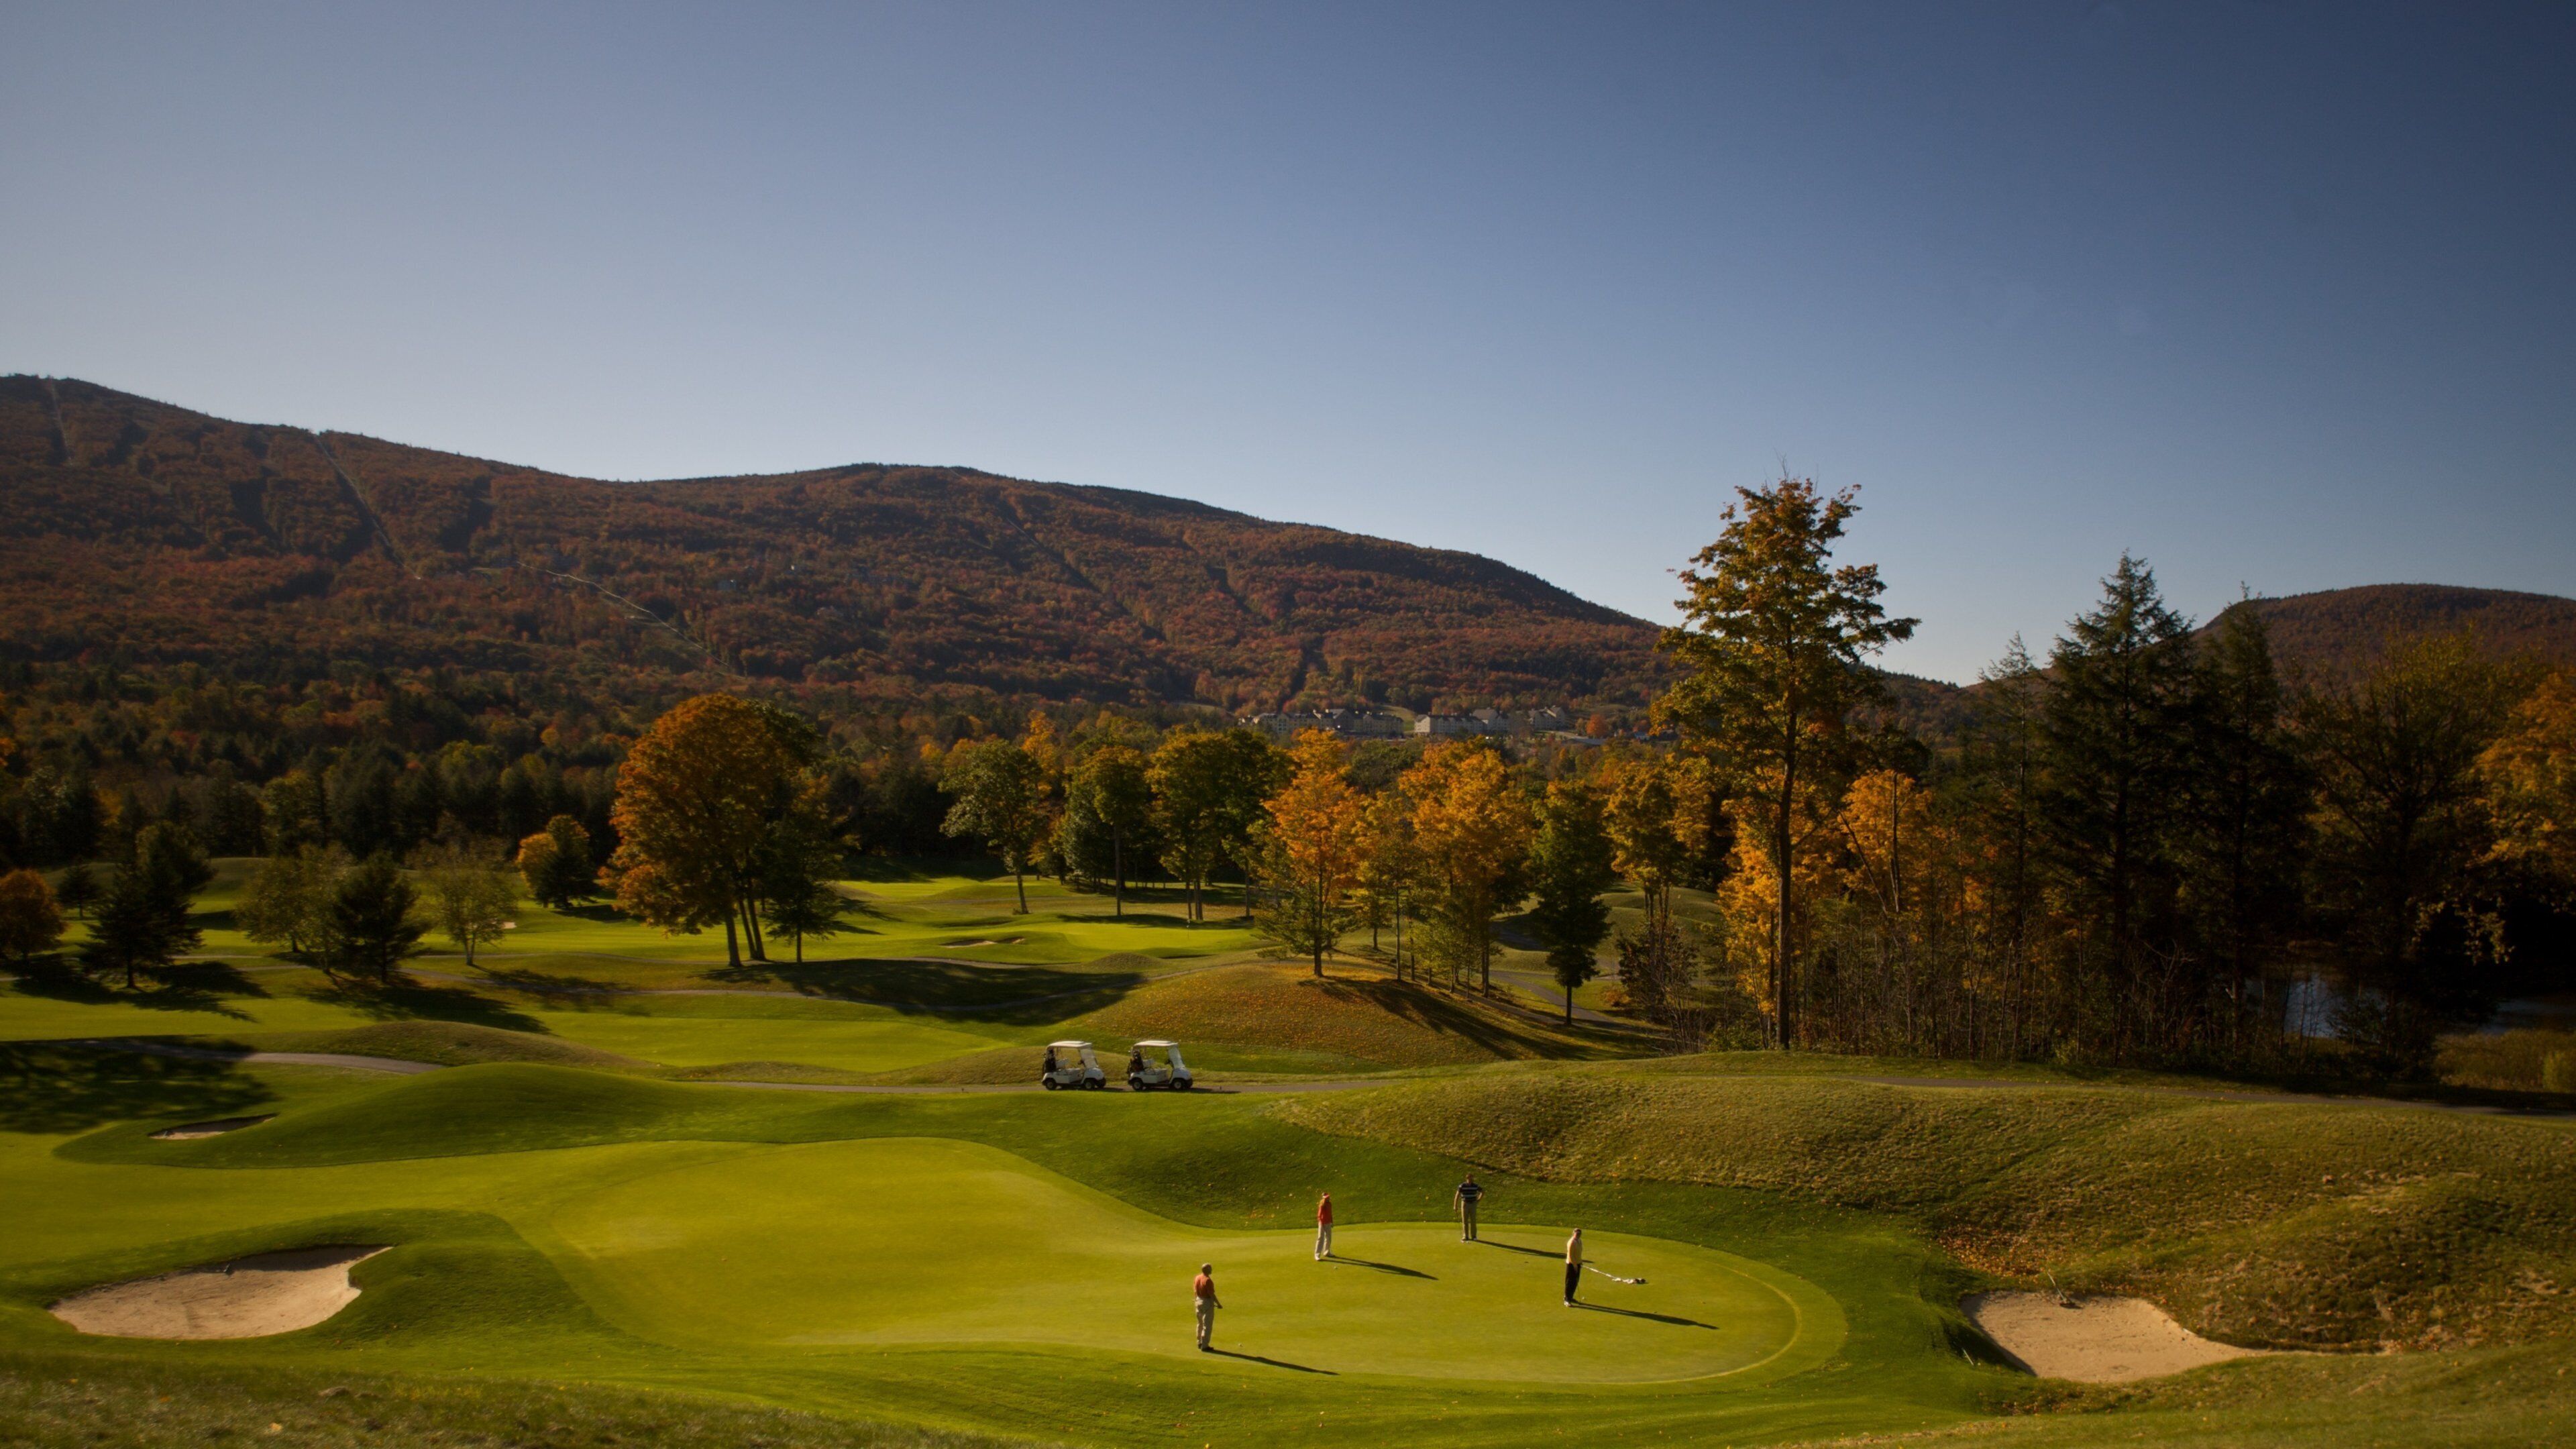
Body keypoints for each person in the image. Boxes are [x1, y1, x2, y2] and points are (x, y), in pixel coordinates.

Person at [1193, 1262, 1222, 1350]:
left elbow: (1195, 1290)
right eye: (1210, 1268)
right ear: (1207, 1270)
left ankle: (1199, 1342)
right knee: (1207, 1325)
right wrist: (1218, 1304)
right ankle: (1205, 1346)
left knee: (1200, 1323)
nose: (1211, 1270)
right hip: (1206, 1302)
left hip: (1198, 1301)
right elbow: (1211, 1294)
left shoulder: (1197, 1277)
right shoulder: (1208, 1280)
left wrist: (1196, 1299)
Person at [1454, 1173, 1483, 1241]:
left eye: (1472, 1178)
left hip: (1473, 1204)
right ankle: (1465, 1236)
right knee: (1465, 1221)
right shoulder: (1462, 1186)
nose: (1470, 1180)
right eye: (1469, 1178)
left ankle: (1474, 1236)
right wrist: (1455, 1205)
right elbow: (1457, 1196)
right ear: (1467, 1179)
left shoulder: (1476, 1186)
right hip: (1465, 1204)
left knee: (1473, 1220)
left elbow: (1482, 1191)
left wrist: (1479, 1200)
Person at [1564, 1227, 1584, 1306]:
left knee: (1575, 1281)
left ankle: (1571, 1297)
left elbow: (1579, 1253)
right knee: (1570, 1282)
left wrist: (1580, 1262)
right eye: (1577, 1234)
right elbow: (1570, 1255)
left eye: (1579, 1234)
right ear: (1574, 1234)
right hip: (1571, 1264)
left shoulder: (1579, 1241)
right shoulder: (1571, 1242)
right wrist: (1575, 1265)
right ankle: (1566, 1299)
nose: (1578, 1235)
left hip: (1578, 1263)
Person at [1314, 1191, 1334, 1260]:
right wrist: (1321, 1223)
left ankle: (1327, 1252)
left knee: (1329, 1238)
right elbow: (1319, 1216)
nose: (1328, 1198)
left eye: (1328, 1197)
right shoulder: (1322, 1205)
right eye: (1327, 1198)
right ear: (1324, 1198)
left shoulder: (1330, 1204)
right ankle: (1317, 1255)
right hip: (1322, 1223)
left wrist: (1332, 1222)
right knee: (1320, 1238)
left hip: (1328, 1223)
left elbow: (1330, 1214)